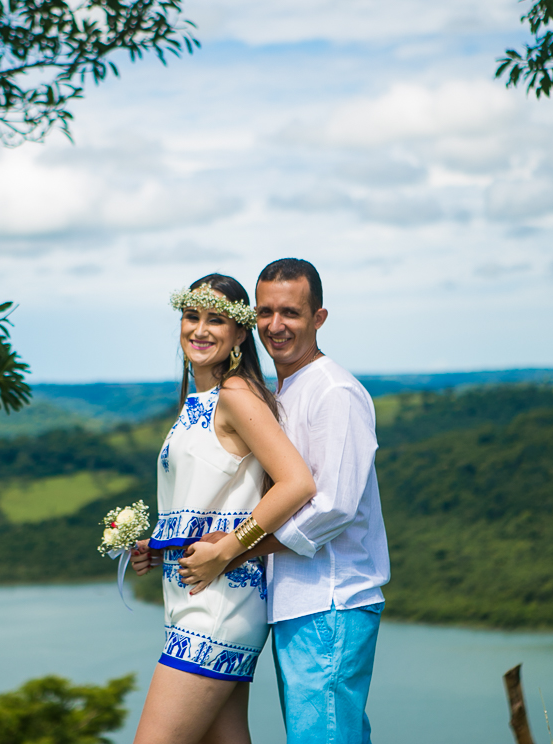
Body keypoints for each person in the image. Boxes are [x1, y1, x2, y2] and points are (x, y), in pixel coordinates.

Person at [181, 258, 391, 744]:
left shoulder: (334, 391)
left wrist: (235, 550)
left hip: (331, 601)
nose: (276, 326)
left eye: (291, 313)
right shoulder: (284, 390)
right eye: (265, 312)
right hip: (299, 602)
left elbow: (333, 508)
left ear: (319, 318)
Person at [129, 273, 316, 744]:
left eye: (215, 320)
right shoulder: (199, 401)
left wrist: (231, 546)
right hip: (194, 598)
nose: (200, 329)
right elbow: (209, 500)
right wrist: (160, 545)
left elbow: (297, 483)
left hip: (219, 602)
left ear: (239, 334)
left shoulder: (234, 396)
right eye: (191, 316)